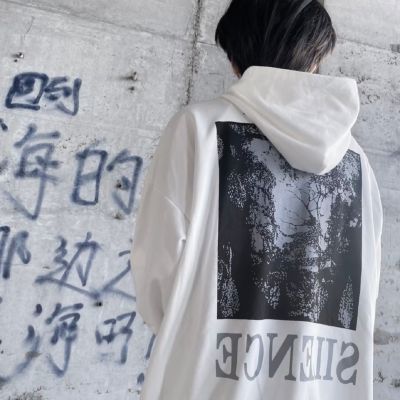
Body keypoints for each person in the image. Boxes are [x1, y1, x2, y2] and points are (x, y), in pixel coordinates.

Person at [130, 0, 383, 399]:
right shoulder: (357, 161)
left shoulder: (197, 129)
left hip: (209, 383)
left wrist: (196, 333)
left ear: (235, 58)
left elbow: (157, 271)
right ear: (315, 57)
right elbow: (366, 285)